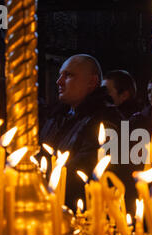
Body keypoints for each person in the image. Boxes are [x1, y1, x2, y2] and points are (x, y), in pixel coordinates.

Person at [40, 54, 122, 211]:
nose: (59, 82)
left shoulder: (106, 121)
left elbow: (82, 172)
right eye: (60, 75)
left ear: (92, 82)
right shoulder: (58, 116)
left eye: (68, 75)